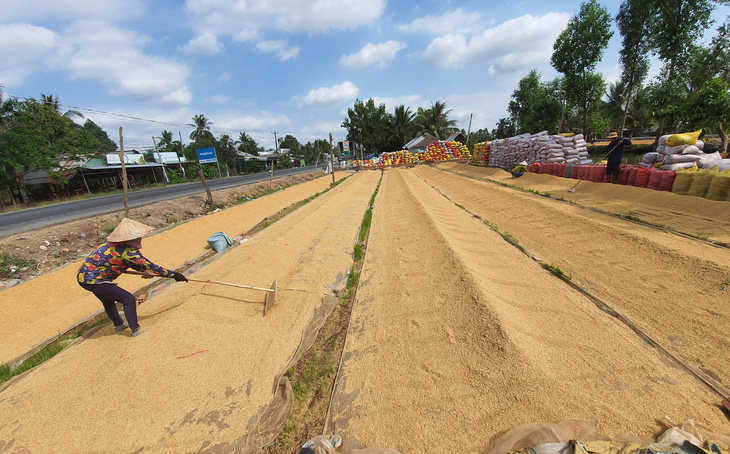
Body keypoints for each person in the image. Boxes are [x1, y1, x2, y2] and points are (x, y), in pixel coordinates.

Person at [77, 218, 188, 337]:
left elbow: (128, 263)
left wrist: (144, 270)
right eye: (137, 243)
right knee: (128, 299)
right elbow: (152, 266)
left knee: (108, 301)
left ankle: (119, 324)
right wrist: (174, 275)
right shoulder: (128, 252)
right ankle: (135, 329)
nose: (140, 246)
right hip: (96, 280)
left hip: (84, 278)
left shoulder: (109, 246)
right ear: (127, 241)